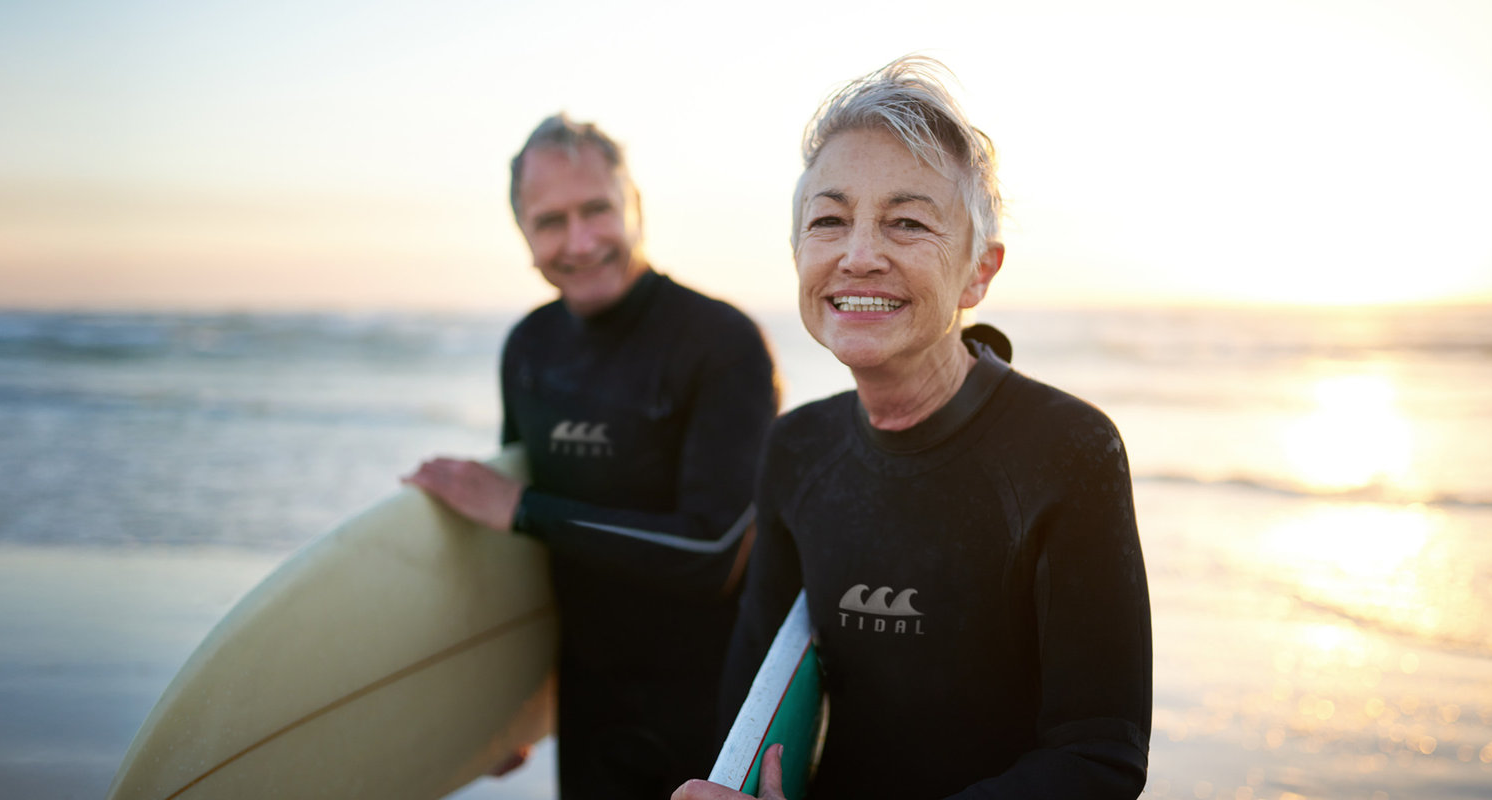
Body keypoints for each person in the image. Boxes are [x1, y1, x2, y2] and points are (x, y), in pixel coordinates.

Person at [673, 57, 1152, 800]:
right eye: (829, 221)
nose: (859, 255)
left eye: (907, 222)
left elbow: (1099, 757)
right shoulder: (796, 448)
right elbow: (754, 699)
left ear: (978, 272)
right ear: (799, 255)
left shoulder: (1068, 451)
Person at [405, 114, 779, 800]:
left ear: (635, 207)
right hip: (589, 717)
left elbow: (714, 554)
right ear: (523, 234)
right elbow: (526, 561)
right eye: (550, 222)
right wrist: (499, 711)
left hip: (712, 719)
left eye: (597, 210)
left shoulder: (721, 344)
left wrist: (521, 507)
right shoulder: (530, 350)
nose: (579, 242)